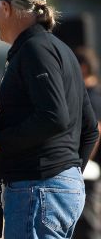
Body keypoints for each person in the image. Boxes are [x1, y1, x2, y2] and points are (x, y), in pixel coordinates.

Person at [0, 0, 99, 239]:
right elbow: (90, 129)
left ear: (5, 7)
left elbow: (54, 117)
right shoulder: (61, 50)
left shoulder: (33, 50)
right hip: (56, 189)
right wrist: (68, 175)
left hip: (37, 189)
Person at [72, 47, 101, 239]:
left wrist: (82, 163)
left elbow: (96, 130)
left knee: (88, 229)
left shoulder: (91, 97)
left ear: (82, 67)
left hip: (91, 176)